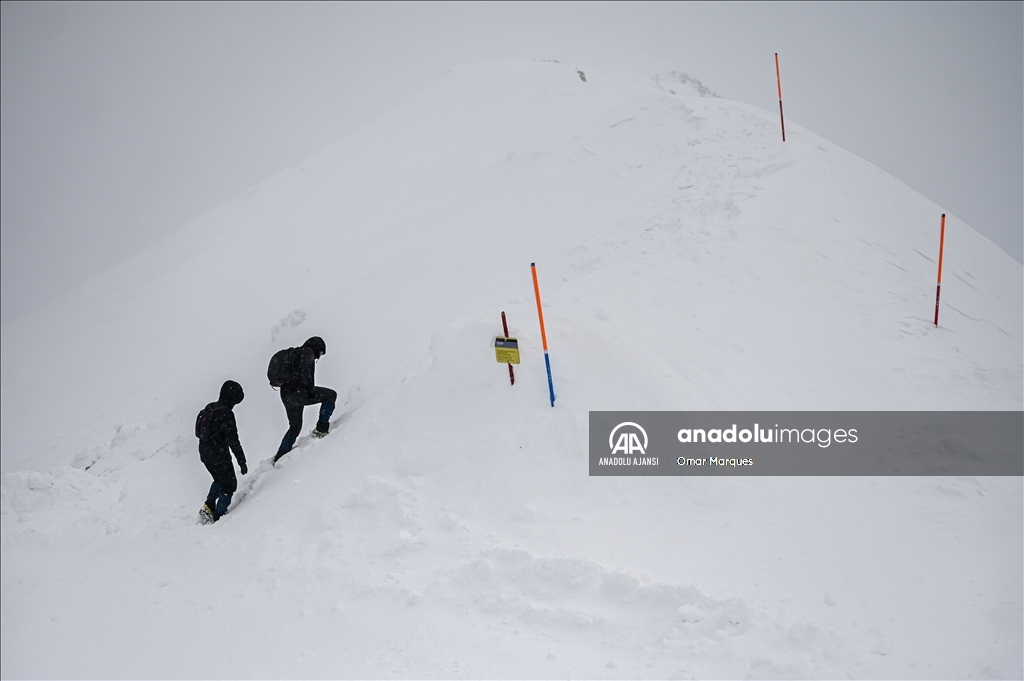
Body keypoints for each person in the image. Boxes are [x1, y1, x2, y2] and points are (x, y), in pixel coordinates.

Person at [274, 336, 337, 463]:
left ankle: (280, 456)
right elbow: (304, 371)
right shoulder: (307, 351)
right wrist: (309, 389)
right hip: (298, 392)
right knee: (330, 395)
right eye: (320, 352)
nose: (319, 356)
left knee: (295, 427)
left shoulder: (297, 353)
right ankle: (321, 429)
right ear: (317, 347)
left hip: (286, 394)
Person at [197, 380, 247, 523]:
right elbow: (233, 441)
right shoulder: (226, 413)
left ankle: (208, 506)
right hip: (218, 455)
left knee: (219, 479)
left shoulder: (210, 407)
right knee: (230, 484)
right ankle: (218, 516)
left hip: (204, 453)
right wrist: (241, 461)